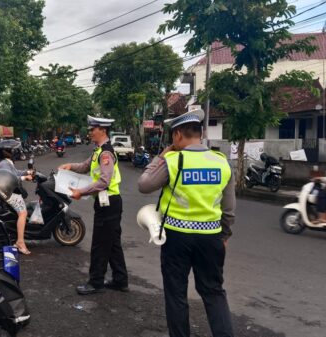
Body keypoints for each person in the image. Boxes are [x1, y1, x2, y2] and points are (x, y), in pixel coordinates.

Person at [138, 108, 235, 337]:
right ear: (199, 134)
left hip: (177, 238)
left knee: (176, 294)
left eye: (173, 136)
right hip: (211, 237)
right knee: (213, 292)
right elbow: (229, 209)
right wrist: (225, 236)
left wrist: (162, 155)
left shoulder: (172, 160)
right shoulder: (221, 162)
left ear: (178, 135)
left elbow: (144, 185)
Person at [58, 115, 128, 295]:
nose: (89, 133)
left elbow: (104, 181)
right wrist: (69, 166)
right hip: (108, 202)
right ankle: (120, 280)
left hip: (109, 202)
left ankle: (96, 282)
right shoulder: (98, 151)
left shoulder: (105, 153)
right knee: (112, 243)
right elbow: (84, 166)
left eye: (92, 129)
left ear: (102, 130)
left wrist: (81, 192)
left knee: (100, 244)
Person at [0, 139, 34, 254]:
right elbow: (9, 178)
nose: (17, 151)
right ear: (7, 151)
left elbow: (15, 172)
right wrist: (24, 178)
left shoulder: (8, 162)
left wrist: (27, 172)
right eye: (14, 149)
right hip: (7, 193)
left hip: (9, 191)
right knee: (23, 213)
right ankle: (20, 242)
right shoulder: (4, 164)